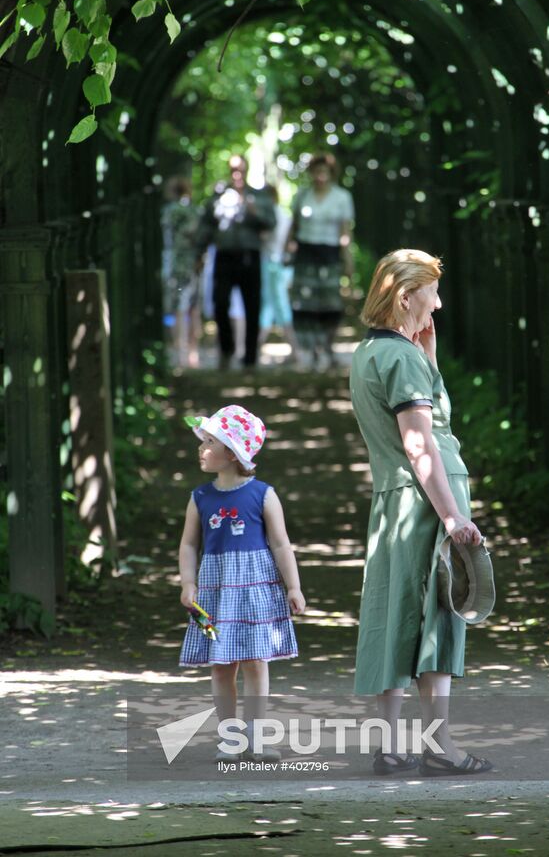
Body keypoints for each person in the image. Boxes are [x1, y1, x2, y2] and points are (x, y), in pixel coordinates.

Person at [349, 248, 492, 776]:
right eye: (432, 291)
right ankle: (441, 747)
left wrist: (427, 355)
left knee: (391, 616)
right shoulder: (402, 359)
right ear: (405, 296)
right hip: (428, 502)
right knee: (437, 619)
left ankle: (388, 746)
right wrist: (453, 516)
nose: (440, 301)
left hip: (394, 502)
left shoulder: (371, 353)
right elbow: (420, 446)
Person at [178, 404, 306, 760]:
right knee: (220, 665)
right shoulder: (200, 497)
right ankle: (229, 739)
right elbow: (189, 543)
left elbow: (281, 543)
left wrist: (292, 586)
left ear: (233, 453)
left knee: (255, 661)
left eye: (209, 442)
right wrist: (188, 583)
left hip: (255, 588)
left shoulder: (262, 494)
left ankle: (256, 737)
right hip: (214, 593)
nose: (200, 449)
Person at [197, 155, 275, 367]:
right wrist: (199, 253)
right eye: (233, 170)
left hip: (250, 257)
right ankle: (226, 349)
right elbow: (205, 226)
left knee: (252, 308)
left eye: (240, 169)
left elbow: (271, 222)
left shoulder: (259, 197)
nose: (237, 174)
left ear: (246, 170)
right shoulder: (218, 196)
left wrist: (253, 212)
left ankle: (250, 359)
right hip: (224, 257)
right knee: (219, 304)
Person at [286, 153, 354, 370]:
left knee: (331, 305)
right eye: (316, 171)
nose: (320, 176)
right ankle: (313, 349)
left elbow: (345, 233)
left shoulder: (342, 197)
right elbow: (293, 227)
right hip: (306, 253)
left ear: (331, 173)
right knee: (305, 303)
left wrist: (348, 260)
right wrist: (286, 251)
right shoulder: (302, 196)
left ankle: (328, 345)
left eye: (324, 171)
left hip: (330, 253)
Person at [160, 175, 202, 368]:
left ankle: (180, 352)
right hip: (192, 263)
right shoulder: (192, 211)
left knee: (178, 308)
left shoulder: (169, 211)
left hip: (175, 264)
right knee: (192, 308)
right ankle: (192, 353)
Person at [259, 184, 298, 363]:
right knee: (269, 305)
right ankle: (255, 347)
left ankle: (294, 349)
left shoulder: (269, 216)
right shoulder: (285, 215)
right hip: (280, 265)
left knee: (277, 305)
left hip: (271, 263)